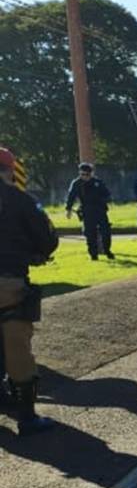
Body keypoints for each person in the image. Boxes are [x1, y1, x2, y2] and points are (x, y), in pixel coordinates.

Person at [0, 147, 59, 435]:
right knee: (17, 349)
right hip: (8, 283)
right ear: (10, 170)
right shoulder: (20, 200)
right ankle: (27, 417)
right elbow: (48, 239)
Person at [65, 162, 114, 260]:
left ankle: (107, 251)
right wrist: (68, 209)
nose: (84, 177)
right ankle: (93, 254)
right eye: (82, 174)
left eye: (86, 174)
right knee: (90, 233)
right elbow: (71, 197)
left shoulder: (97, 182)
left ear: (91, 174)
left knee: (105, 232)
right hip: (87, 211)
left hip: (100, 210)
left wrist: (104, 200)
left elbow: (107, 194)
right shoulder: (77, 183)